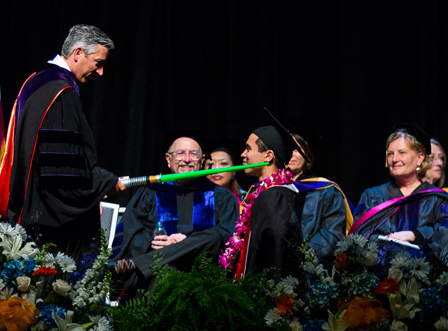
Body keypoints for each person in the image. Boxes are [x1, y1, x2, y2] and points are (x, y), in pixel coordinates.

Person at [0, 24, 125, 253]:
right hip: (47, 225)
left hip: (30, 209)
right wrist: (105, 182)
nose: (101, 72)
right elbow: (62, 171)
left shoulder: (37, 80)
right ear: (78, 53)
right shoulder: (60, 93)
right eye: (98, 63)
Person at [111, 137, 238, 296]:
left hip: (202, 271)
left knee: (214, 236)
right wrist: (158, 238)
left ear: (202, 160)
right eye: (180, 153)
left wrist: (184, 242)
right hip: (154, 274)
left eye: (193, 154)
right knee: (166, 272)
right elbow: (130, 234)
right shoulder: (150, 193)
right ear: (168, 159)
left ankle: (137, 264)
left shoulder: (220, 196)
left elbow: (228, 238)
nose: (186, 159)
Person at [244, 122, 353, 276]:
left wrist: (295, 258)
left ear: (308, 155)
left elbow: (331, 237)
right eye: (287, 148)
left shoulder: (325, 190)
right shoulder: (262, 191)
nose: (291, 154)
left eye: (297, 149)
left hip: (311, 272)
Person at [349, 124, 448, 260]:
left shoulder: (437, 199)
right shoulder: (372, 196)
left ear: (420, 158)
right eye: (390, 154)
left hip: (427, 276)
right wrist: (385, 243)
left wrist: (415, 235)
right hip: (379, 275)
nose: (394, 159)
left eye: (402, 153)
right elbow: (356, 240)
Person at [218, 125, 299, 279]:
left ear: (268, 156)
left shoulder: (276, 196)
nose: (242, 154)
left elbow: (276, 252)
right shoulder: (263, 193)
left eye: (248, 149)